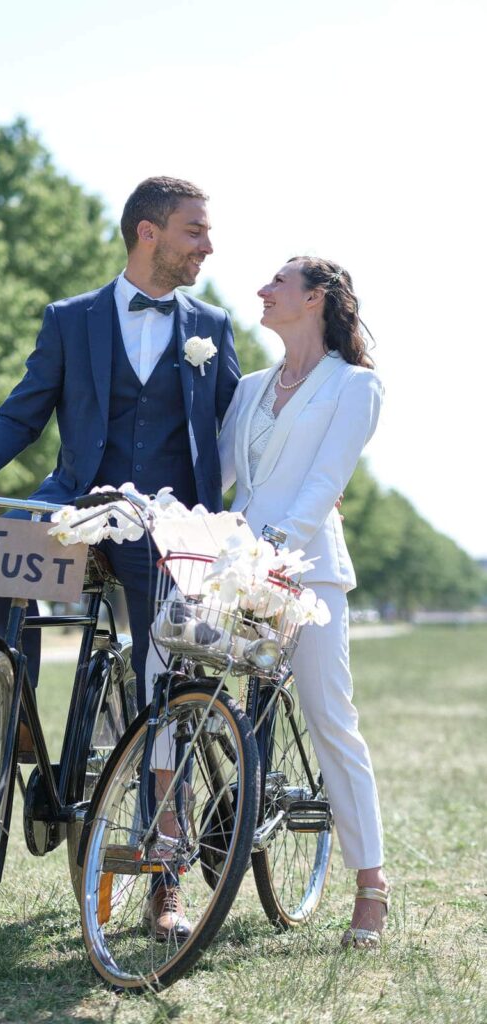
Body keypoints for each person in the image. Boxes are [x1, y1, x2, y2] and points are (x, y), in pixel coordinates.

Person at [0, 175, 240, 938]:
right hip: (80, 504)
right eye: (193, 231)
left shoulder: (210, 324)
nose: (206, 248)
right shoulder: (70, 319)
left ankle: (164, 880)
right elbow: (24, 408)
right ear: (148, 232)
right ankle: (9, 708)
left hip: (166, 524)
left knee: (164, 693)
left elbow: (236, 427)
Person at [218, 256, 389, 949]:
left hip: (306, 575)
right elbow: (223, 476)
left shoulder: (355, 386)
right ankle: (175, 852)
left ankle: (370, 884)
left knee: (328, 715)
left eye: (277, 283)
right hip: (231, 572)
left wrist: (277, 554)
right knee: (174, 682)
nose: (261, 291)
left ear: (315, 298)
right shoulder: (251, 386)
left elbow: (324, 481)